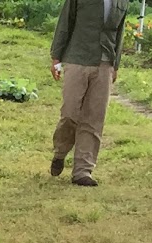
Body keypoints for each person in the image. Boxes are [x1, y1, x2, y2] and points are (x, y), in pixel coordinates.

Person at [48, 0, 129, 188]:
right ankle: (60, 152)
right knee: (70, 113)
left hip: (105, 62)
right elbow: (65, 22)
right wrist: (56, 57)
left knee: (94, 117)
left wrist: (115, 64)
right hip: (77, 58)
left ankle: (83, 170)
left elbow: (120, 32)